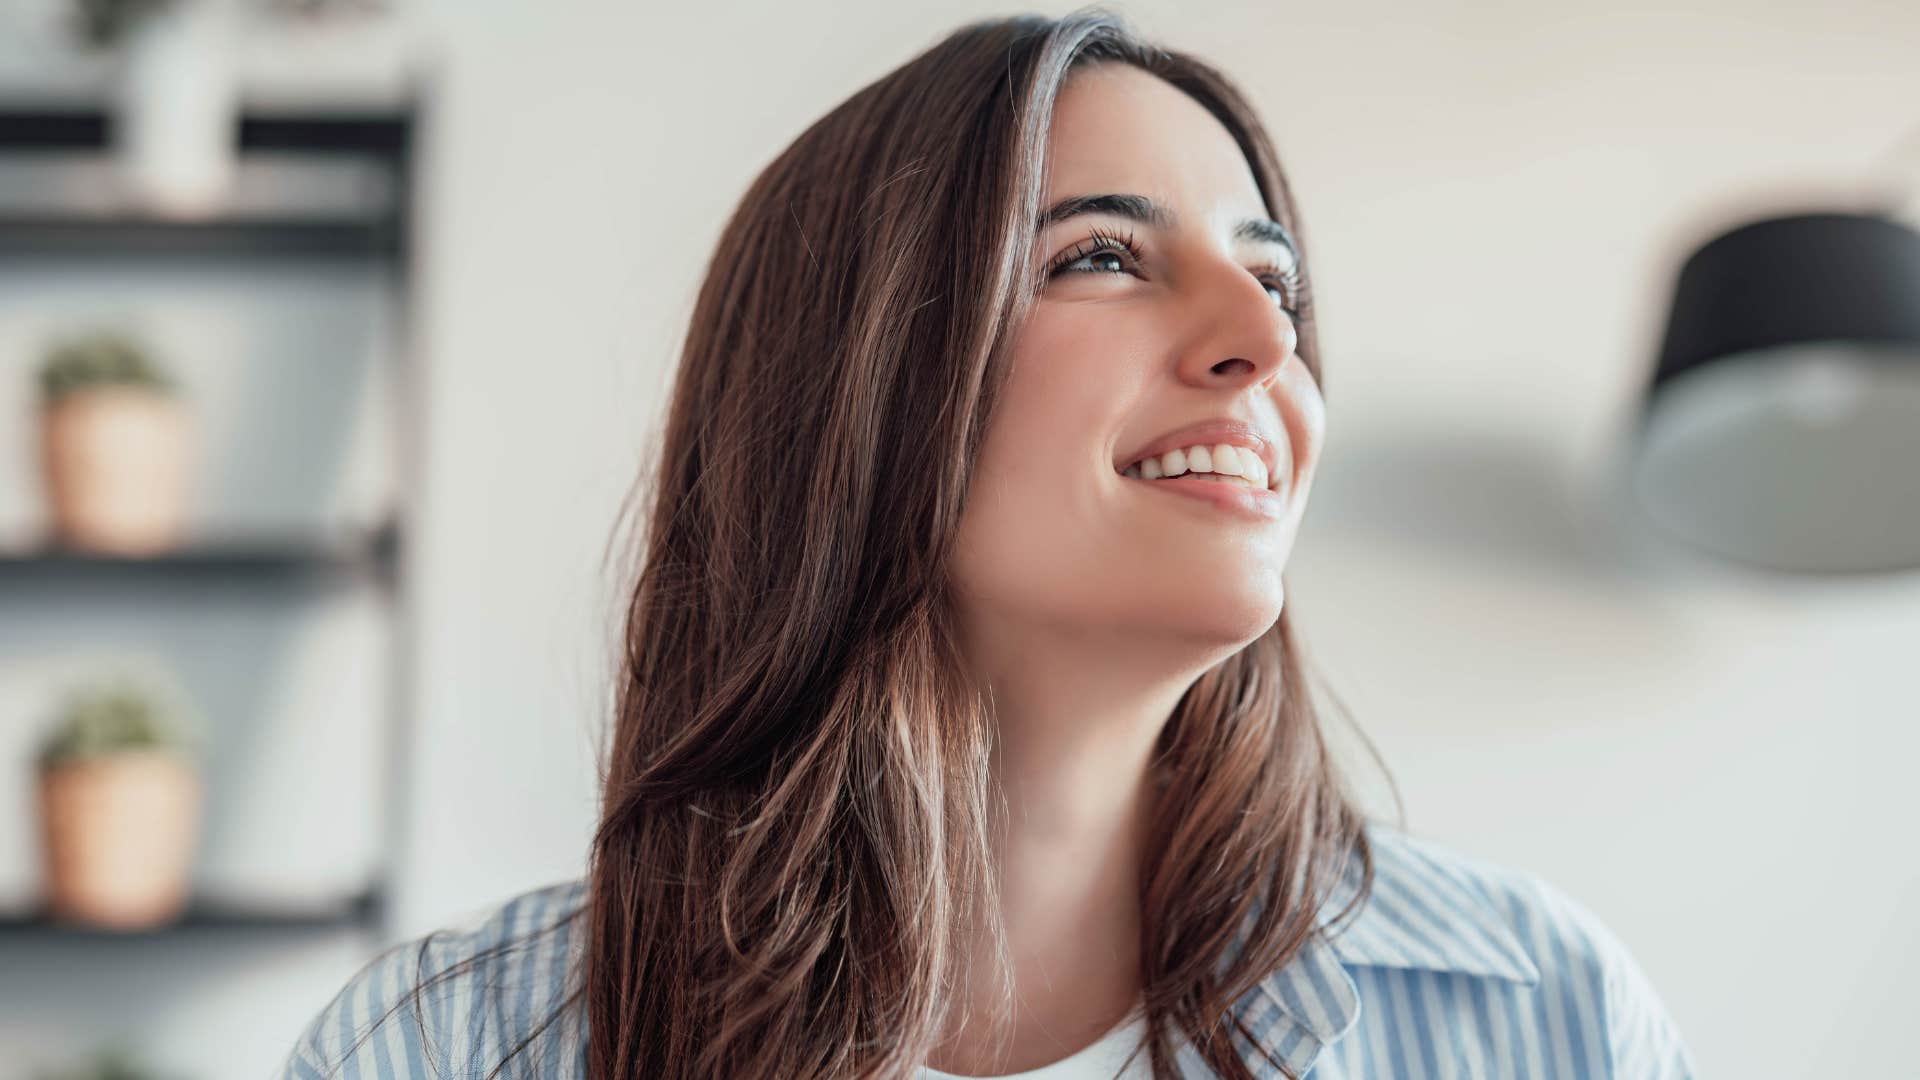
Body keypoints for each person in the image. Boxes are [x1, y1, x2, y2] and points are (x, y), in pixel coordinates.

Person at [279, 10, 1698, 1079]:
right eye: (1100, 258)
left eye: (1276, 279)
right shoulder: (447, 1051)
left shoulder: (1544, 1018)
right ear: (853, 387)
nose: (1267, 342)